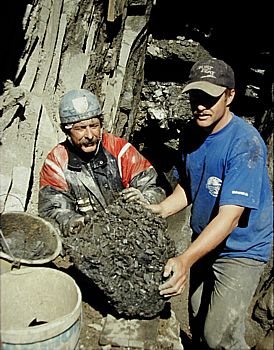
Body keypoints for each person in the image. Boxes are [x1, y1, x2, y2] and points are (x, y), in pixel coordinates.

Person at [148, 58, 273, 349]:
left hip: (241, 248)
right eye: (196, 97)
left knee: (221, 337)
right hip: (205, 240)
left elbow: (229, 218)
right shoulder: (191, 133)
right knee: (197, 319)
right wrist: (160, 209)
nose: (201, 106)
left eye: (210, 98)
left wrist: (184, 259)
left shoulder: (245, 144)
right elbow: (190, 185)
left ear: (230, 95)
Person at [38, 89, 165, 235]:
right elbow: (52, 210)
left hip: (129, 233)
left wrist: (145, 199)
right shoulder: (57, 162)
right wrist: (74, 222)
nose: (90, 135)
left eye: (94, 126)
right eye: (80, 128)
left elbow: (155, 188)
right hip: (86, 239)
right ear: (66, 131)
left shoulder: (120, 150)